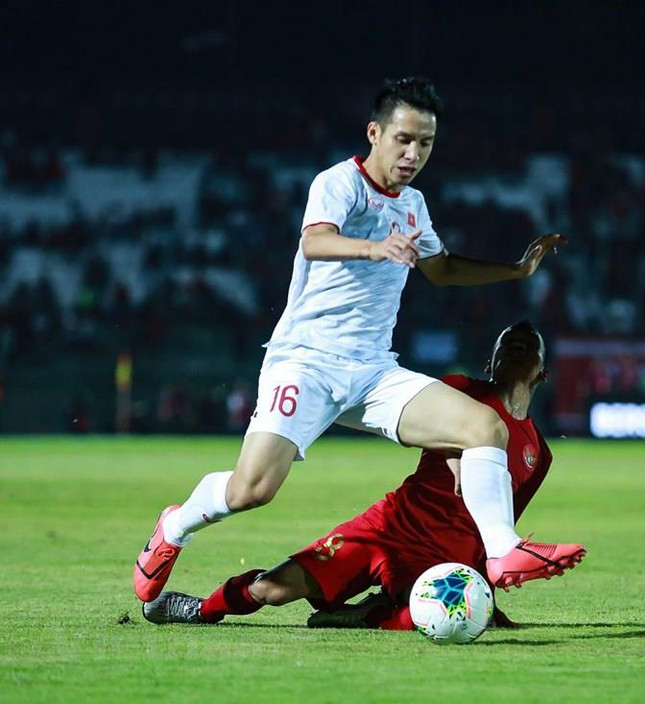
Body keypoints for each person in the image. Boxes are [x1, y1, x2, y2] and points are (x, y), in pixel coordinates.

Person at [133, 78, 585, 604]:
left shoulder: (413, 205)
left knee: (483, 427)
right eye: (404, 139)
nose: (413, 153)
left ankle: (503, 550)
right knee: (251, 490)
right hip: (306, 362)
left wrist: (516, 270)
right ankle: (175, 526)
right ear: (375, 132)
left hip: (371, 372)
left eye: (426, 143)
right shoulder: (339, 183)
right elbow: (315, 240)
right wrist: (375, 249)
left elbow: (440, 269)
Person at [141, 321, 582, 629]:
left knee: (452, 617)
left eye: (528, 344)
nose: (516, 347)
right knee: (274, 589)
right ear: (491, 361)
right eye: (508, 343)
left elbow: (501, 517)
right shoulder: (461, 396)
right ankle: (201, 609)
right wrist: (458, 455)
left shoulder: (538, 454)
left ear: (543, 370)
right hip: (391, 527)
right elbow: (450, 447)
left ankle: (368, 614)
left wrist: (485, 580)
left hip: (443, 559)